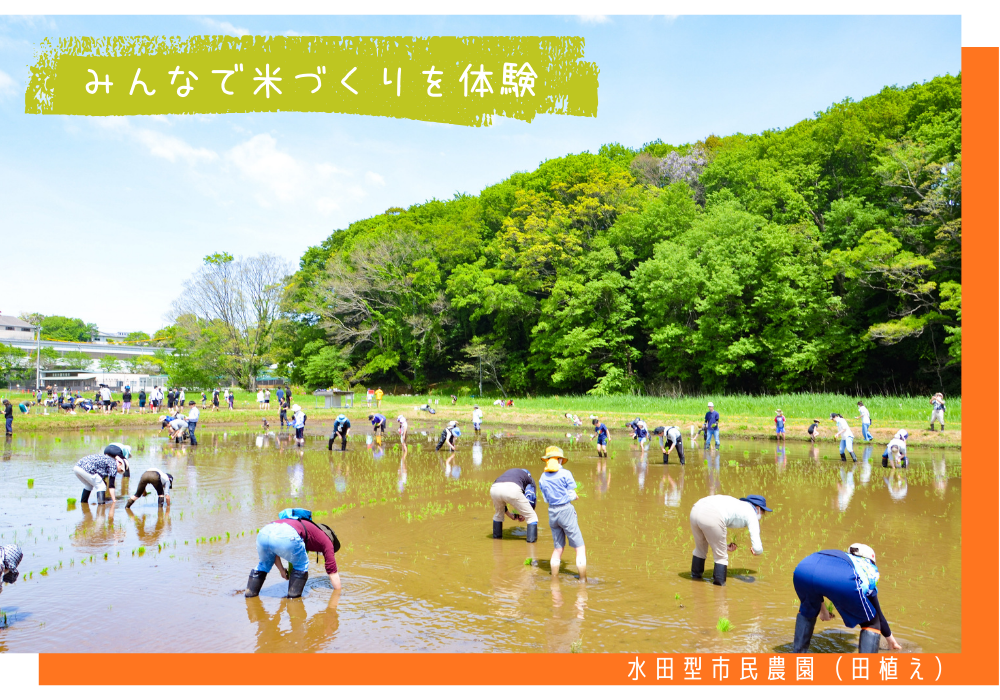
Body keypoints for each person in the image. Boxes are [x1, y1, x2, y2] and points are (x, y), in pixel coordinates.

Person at [792, 543, 902, 653]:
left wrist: (824, 611)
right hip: (842, 578)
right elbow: (877, 612)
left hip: (804, 568)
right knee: (871, 622)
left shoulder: (840, 558)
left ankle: (797, 655)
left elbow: (817, 580)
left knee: (807, 611)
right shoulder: (868, 568)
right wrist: (891, 640)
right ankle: (867, 667)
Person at [245, 510, 342, 598]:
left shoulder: (307, 528)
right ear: (332, 540)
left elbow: (274, 551)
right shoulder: (327, 541)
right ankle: (293, 601)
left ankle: (250, 595)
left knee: (264, 564)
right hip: (288, 533)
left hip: (264, 532)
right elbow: (332, 570)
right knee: (301, 565)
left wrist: (282, 570)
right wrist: (338, 593)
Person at [689, 493, 771, 586]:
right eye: (763, 512)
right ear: (758, 508)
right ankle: (719, 590)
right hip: (712, 514)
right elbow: (757, 547)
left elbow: (711, 532)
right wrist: (757, 551)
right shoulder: (751, 512)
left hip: (695, 509)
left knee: (700, 550)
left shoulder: (737, 504)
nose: (762, 515)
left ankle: (695, 582)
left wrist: (725, 546)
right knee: (721, 558)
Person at [538, 446, 586, 582]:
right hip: (565, 510)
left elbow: (546, 498)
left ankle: (554, 579)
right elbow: (571, 492)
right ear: (559, 460)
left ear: (547, 460)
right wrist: (574, 496)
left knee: (558, 548)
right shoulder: (566, 474)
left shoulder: (543, 477)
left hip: (552, 512)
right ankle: (583, 581)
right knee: (580, 547)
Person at [490, 468, 539, 542]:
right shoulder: (529, 478)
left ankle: (497, 541)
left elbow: (501, 499)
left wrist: (509, 514)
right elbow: (531, 498)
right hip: (512, 488)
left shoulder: (509, 474)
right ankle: (531, 544)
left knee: (498, 515)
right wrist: (525, 515)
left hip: (494, 488)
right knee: (532, 517)